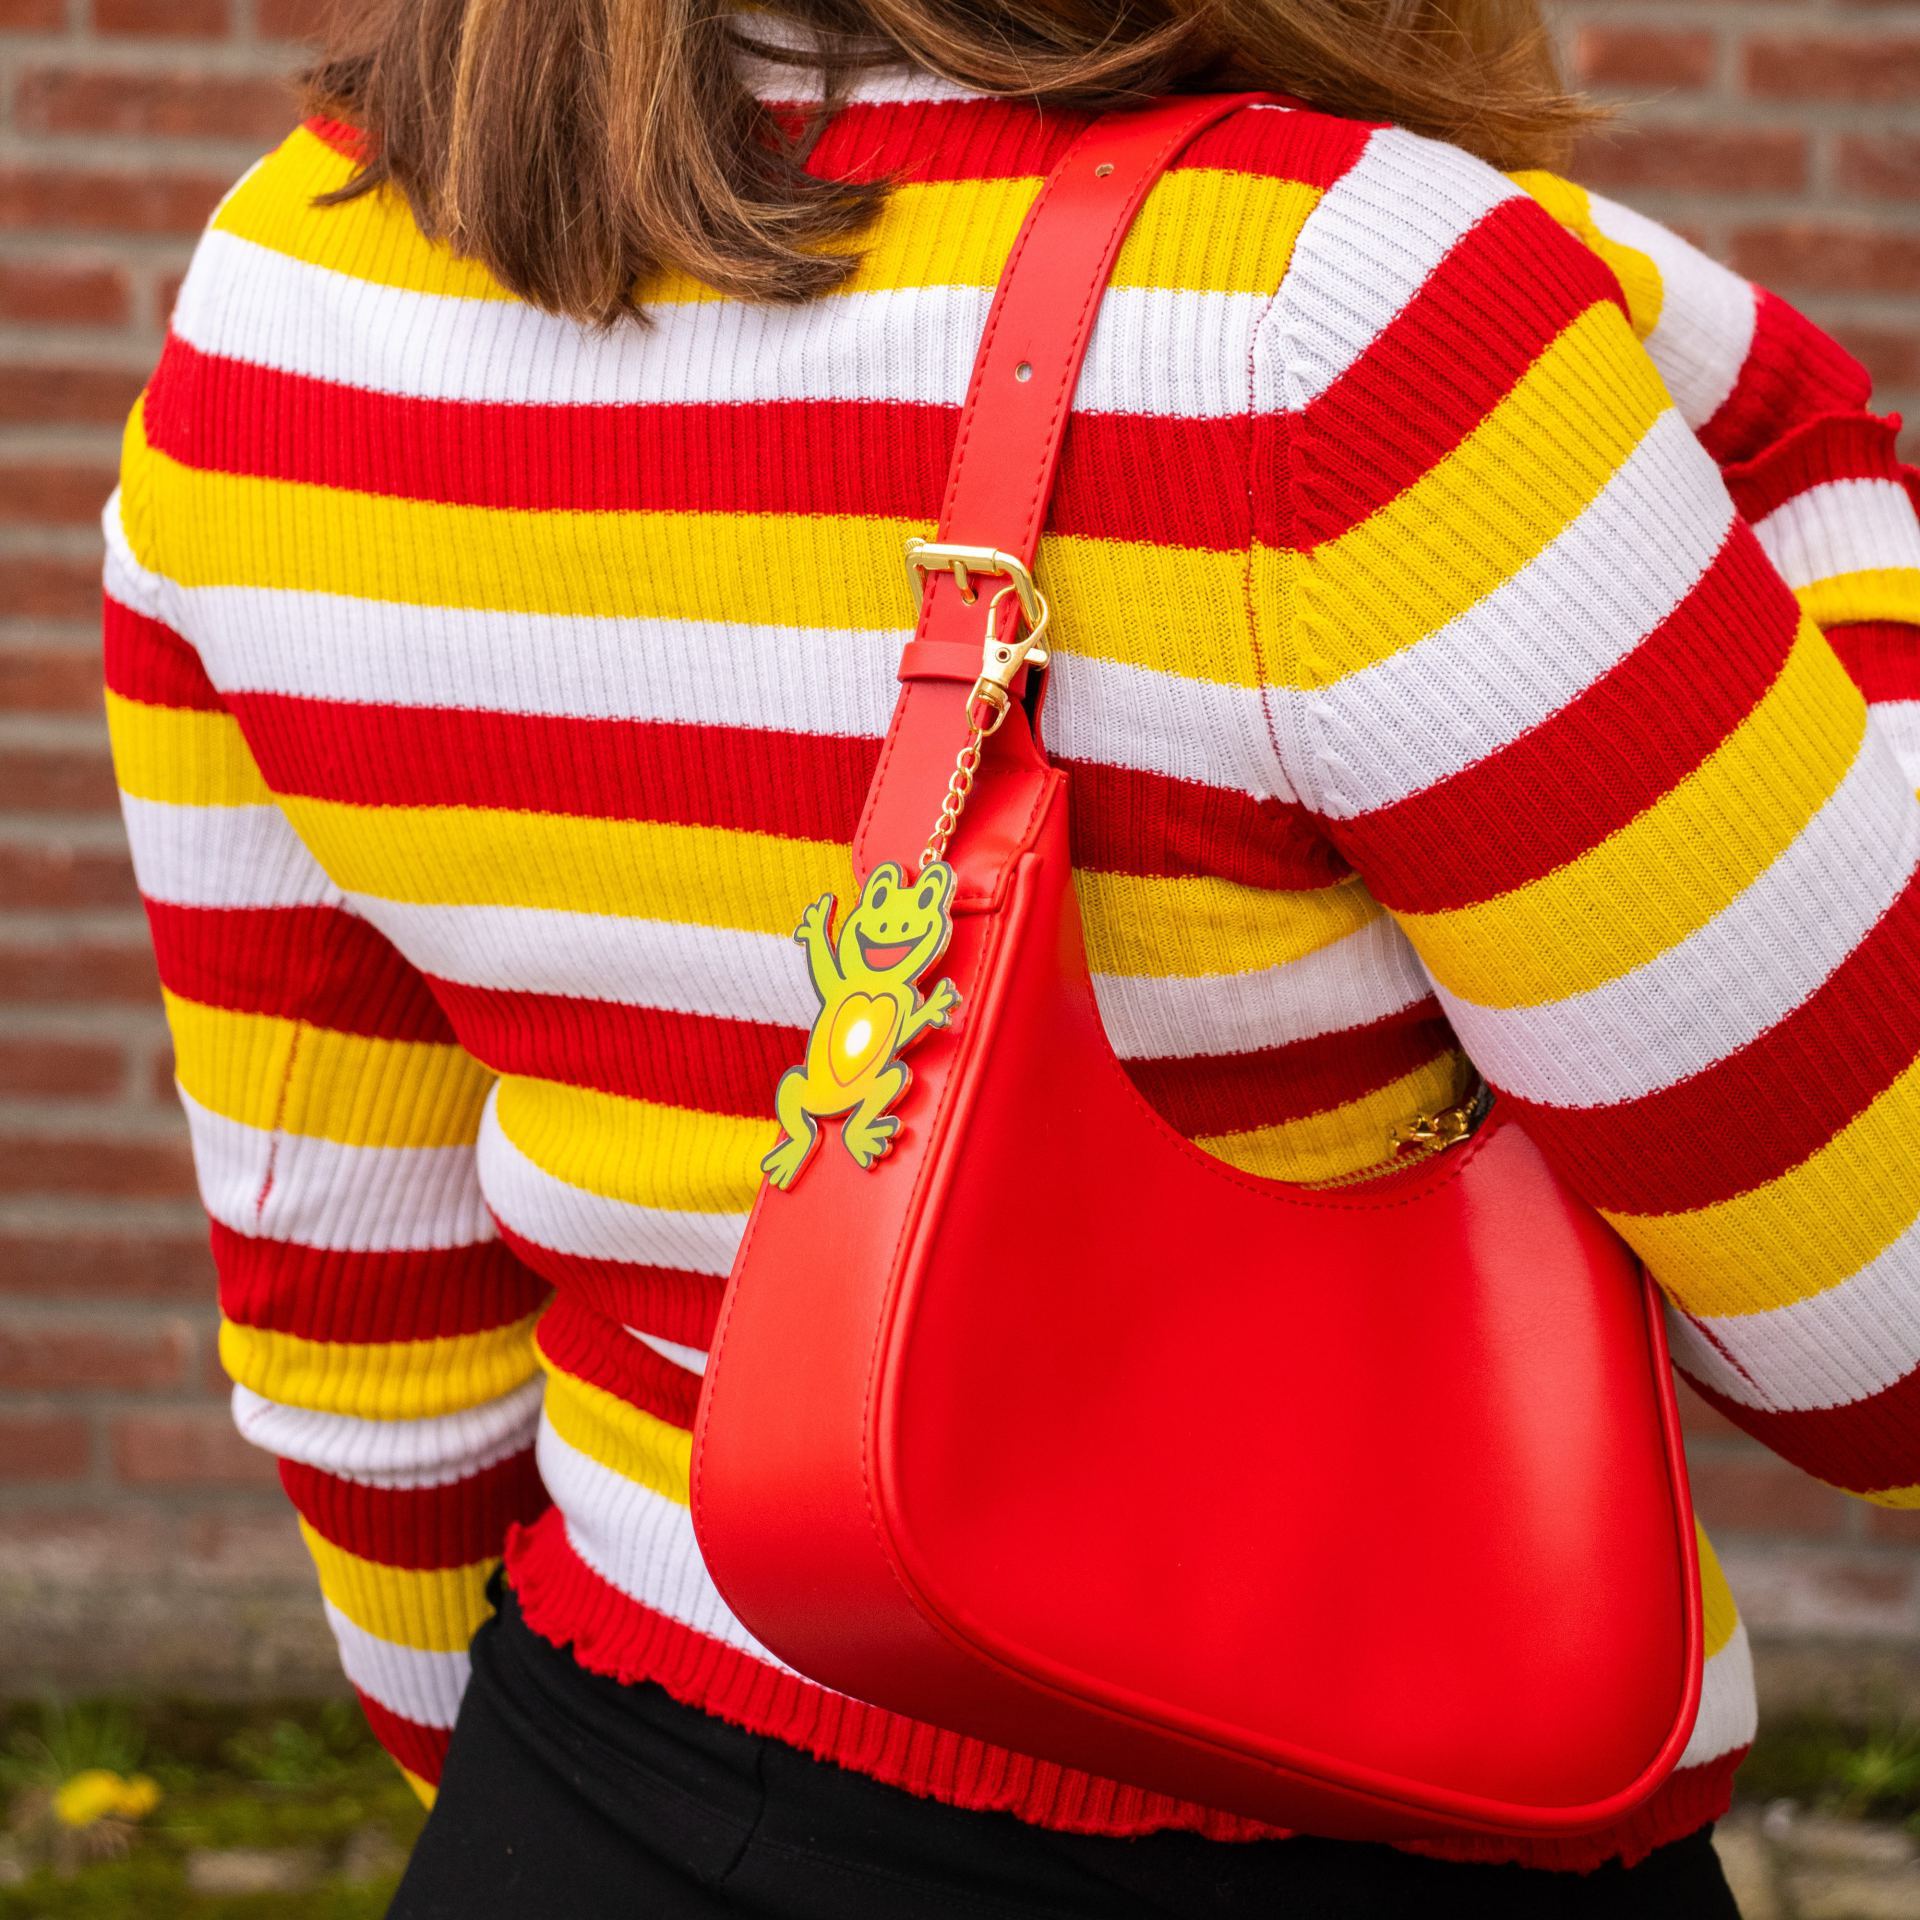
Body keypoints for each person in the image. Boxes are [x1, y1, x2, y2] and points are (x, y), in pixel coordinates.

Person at [103, 2, 1920, 1914]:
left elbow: (355, 1320)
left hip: (594, 1764)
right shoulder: (1353, 316)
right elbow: (1882, 1346)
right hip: (1357, 1805)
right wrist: (1823, 486)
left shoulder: (275, 290)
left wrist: (506, 1792)